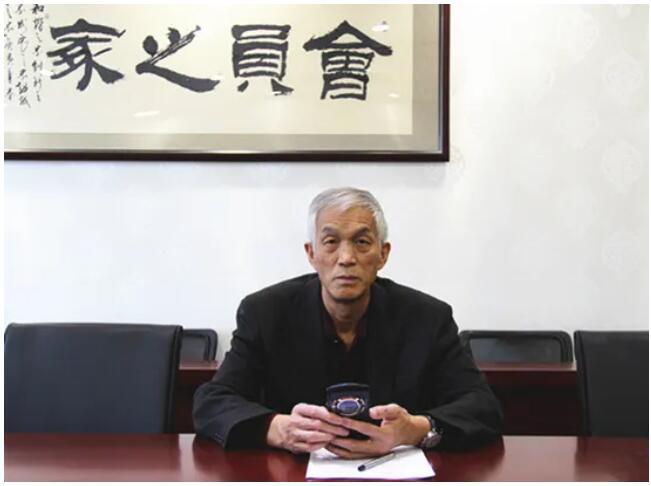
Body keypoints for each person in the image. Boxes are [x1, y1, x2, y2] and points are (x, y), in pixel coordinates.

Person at [193, 187, 502, 458]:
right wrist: (276, 429)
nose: (346, 258)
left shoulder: (427, 318)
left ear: (383, 254)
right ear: (311, 253)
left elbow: (482, 406)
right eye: (330, 242)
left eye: (361, 242)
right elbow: (212, 401)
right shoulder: (265, 313)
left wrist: (417, 429)